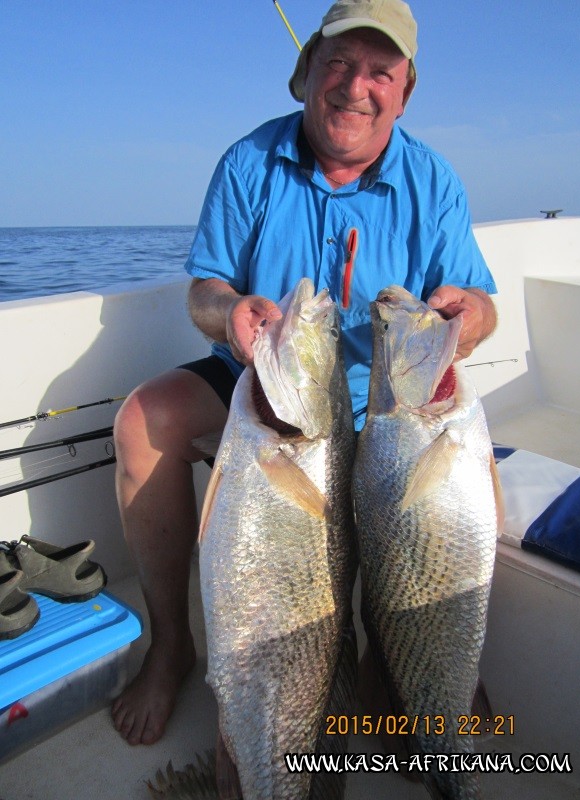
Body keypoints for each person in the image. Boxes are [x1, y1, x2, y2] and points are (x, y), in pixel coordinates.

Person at [111, 0, 497, 749]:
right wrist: (229, 317)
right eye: (338, 65)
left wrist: (469, 316)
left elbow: (481, 307)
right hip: (270, 392)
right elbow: (204, 289)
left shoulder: (433, 180)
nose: (356, 86)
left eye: (379, 72)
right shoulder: (248, 162)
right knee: (142, 419)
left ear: (404, 91)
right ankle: (171, 643)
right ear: (305, 75)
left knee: (449, 494)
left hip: (387, 407)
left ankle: (404, 663)